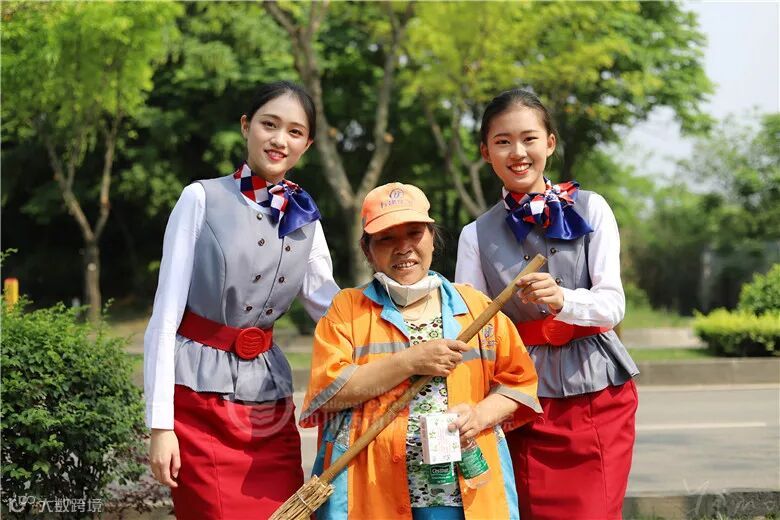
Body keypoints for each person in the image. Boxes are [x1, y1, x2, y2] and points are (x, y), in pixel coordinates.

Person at [144, 81, 340, 519]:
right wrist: (160, 426)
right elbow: (164, 318)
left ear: (307, 145)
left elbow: (331, 308)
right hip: (198, 403)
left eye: (294, 132)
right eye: (269, 125)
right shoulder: (201, 198)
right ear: (246, 126)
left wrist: (400, 316)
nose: (280, 139)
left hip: (268, 407)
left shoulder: (306, 218)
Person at [300, 182, 541, 520]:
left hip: (464, 495)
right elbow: (329, 393)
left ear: (432, 237)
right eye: (386, 238)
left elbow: (519, 384)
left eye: (414, 233)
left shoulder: (476, 306)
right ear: (367, 250)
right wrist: (410, 362)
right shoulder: (346, 310)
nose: (403, 248)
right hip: (372, 494)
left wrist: (479, 416)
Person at [455, 89, 640, 520]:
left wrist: (564, 300)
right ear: (485, 152)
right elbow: (473, 330)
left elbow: (613, 304)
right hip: (521, 402)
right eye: (502, 141)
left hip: (599, 391)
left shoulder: (592, 208)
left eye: (529, 139)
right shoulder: (474, 235)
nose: (517, 153)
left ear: (550, 143)